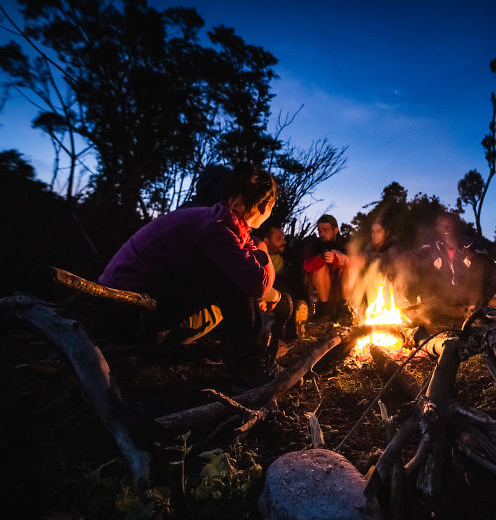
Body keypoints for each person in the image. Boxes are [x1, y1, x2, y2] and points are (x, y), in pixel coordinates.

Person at [98, 163, 282, 388]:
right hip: (124, 312)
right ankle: (250, 365)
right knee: (233, 276)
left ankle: (248, 359)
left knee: (236, 271)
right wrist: (263, 255)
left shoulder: (222, 222)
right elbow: (259, 284)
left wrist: (257, 254)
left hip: (129, 306)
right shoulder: (216, 226)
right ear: (264, 205)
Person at [412, 211, 496, 323]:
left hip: (471, 293)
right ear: (438, 229)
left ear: (456, 228)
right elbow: (420, 252)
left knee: (478, 263)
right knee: (421, 264)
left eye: (450, 225)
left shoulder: (470, 244)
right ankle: (428, 309)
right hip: (449, 294)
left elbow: (484, 262)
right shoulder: (436, 247)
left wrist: (467, 253)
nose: (447, 229)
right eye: (443, 226)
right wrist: (408, 257)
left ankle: (474, 312)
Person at [302, 214, 353, 323]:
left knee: (349, 266)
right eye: (319, 230)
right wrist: (323, 257)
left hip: (340, 288)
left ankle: (344, 308)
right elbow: (307, 265)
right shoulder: (315, 245)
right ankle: (325, 310)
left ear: (336, 230)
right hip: (321, 290)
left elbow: (358, 261)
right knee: (319, 268)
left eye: (325, 230)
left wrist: (338, 258)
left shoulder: (345, 244)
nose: (322, 234)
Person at [259, 223, 306, 340]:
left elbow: (297, 283)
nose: (284, 241)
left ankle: (291, 330)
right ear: (266, 241)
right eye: (279, 238)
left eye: (283, 237)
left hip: (283, 300)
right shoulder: (256, 258)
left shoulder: (288, 257)